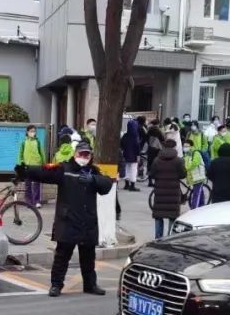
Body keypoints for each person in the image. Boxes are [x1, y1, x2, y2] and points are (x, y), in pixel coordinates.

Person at [16, 140, 113, 297]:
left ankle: (90, 285)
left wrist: (93, 180)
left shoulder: (93, 171)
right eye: (81, 154)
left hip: (87, 222)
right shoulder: (64, 169)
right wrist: (26, 170)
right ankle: (56, 285)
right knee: (62, 257)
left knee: (88, 258)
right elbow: (45, 171)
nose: (84, 157)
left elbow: (107, 185)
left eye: (87, 155)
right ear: (75, 154)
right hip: (68, 221)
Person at [149, 139, 186, 239]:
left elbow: (152, 174)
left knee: (158, 217)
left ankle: (158, 238)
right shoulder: (178, 160)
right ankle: (169, 238)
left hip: (160, 192)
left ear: (164, 147)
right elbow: (183, 175)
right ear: (174, 147)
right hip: (173, 193)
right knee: (172, 217)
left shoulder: (157, 160)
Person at [17, 125, 45, 207]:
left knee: (37, 184)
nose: (33, 133)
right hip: (27, 166)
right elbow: (20, 154)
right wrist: (21, 163)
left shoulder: (38, 141)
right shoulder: (23, 142)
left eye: (34, 131)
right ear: (27, 132)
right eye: (31, 131)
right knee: (28, 185)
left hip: (37, 165)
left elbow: (42, 153)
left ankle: (37, 201)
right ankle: (29, 202)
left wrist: (43, 164)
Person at [181, 136, 207, 209]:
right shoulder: (186, 155)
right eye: (184, 146)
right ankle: (202, 207)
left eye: (187, 146)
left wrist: (186, 168)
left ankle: (194, 210)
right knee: (200, 193)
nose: (185, 148)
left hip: (198, 177)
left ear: (191, 146)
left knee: (196, 194)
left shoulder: (196, 153)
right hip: (193, 178)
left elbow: (194, 163)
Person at [120, 117, 142, 191]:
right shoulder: (136, 136)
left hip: (126, 155)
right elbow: (137, 147)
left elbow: (121, 144)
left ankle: (126, 184)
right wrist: (138, 156)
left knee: (126, 169)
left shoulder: (125, 135)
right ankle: (132, 185)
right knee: (133, 170)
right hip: (134, 156)